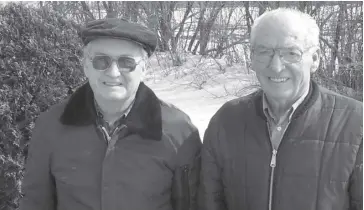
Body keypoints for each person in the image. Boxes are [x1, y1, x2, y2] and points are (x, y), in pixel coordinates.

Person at [20, 18, 201, 210]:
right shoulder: (52, 126)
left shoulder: (178, 131)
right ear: (86, 66)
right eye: (101, 61)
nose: (113, 72)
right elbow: (35, 202)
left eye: (126, 62)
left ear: (144, 69)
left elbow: (192, 204)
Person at [198, 8, 362, 210]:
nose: (276, 66)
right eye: (264, 52)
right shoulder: (226, 121)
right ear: (252, 58)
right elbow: (209, 203)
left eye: (291, 53)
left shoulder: (355, 124)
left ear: (315, 59)